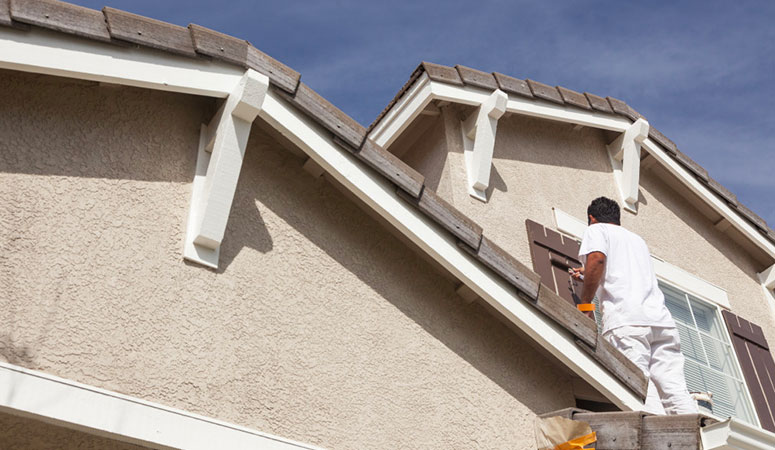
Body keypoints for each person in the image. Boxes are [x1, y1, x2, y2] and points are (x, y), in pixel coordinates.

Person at [571, 196, 697, 415]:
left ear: (592, 218)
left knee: (638, 387)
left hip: (627, 322)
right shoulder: (637, 240)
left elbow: (598, 260)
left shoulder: (596, 230)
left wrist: (585, 304)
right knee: (674, 390)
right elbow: (622, 272)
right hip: (660, 323)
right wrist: (589, 275)